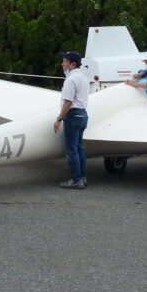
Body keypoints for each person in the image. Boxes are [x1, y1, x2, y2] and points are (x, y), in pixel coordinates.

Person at [53, 51, 90, 189]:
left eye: (65, 61)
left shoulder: (70, 79)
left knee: (71, 149)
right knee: (79, 147)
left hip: (73, 116)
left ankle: (76, 179)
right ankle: (83, 177)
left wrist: (59, 119)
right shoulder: (83, 77)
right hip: (83, 115)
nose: (62, 64)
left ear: (72, 64)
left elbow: (68, 102)